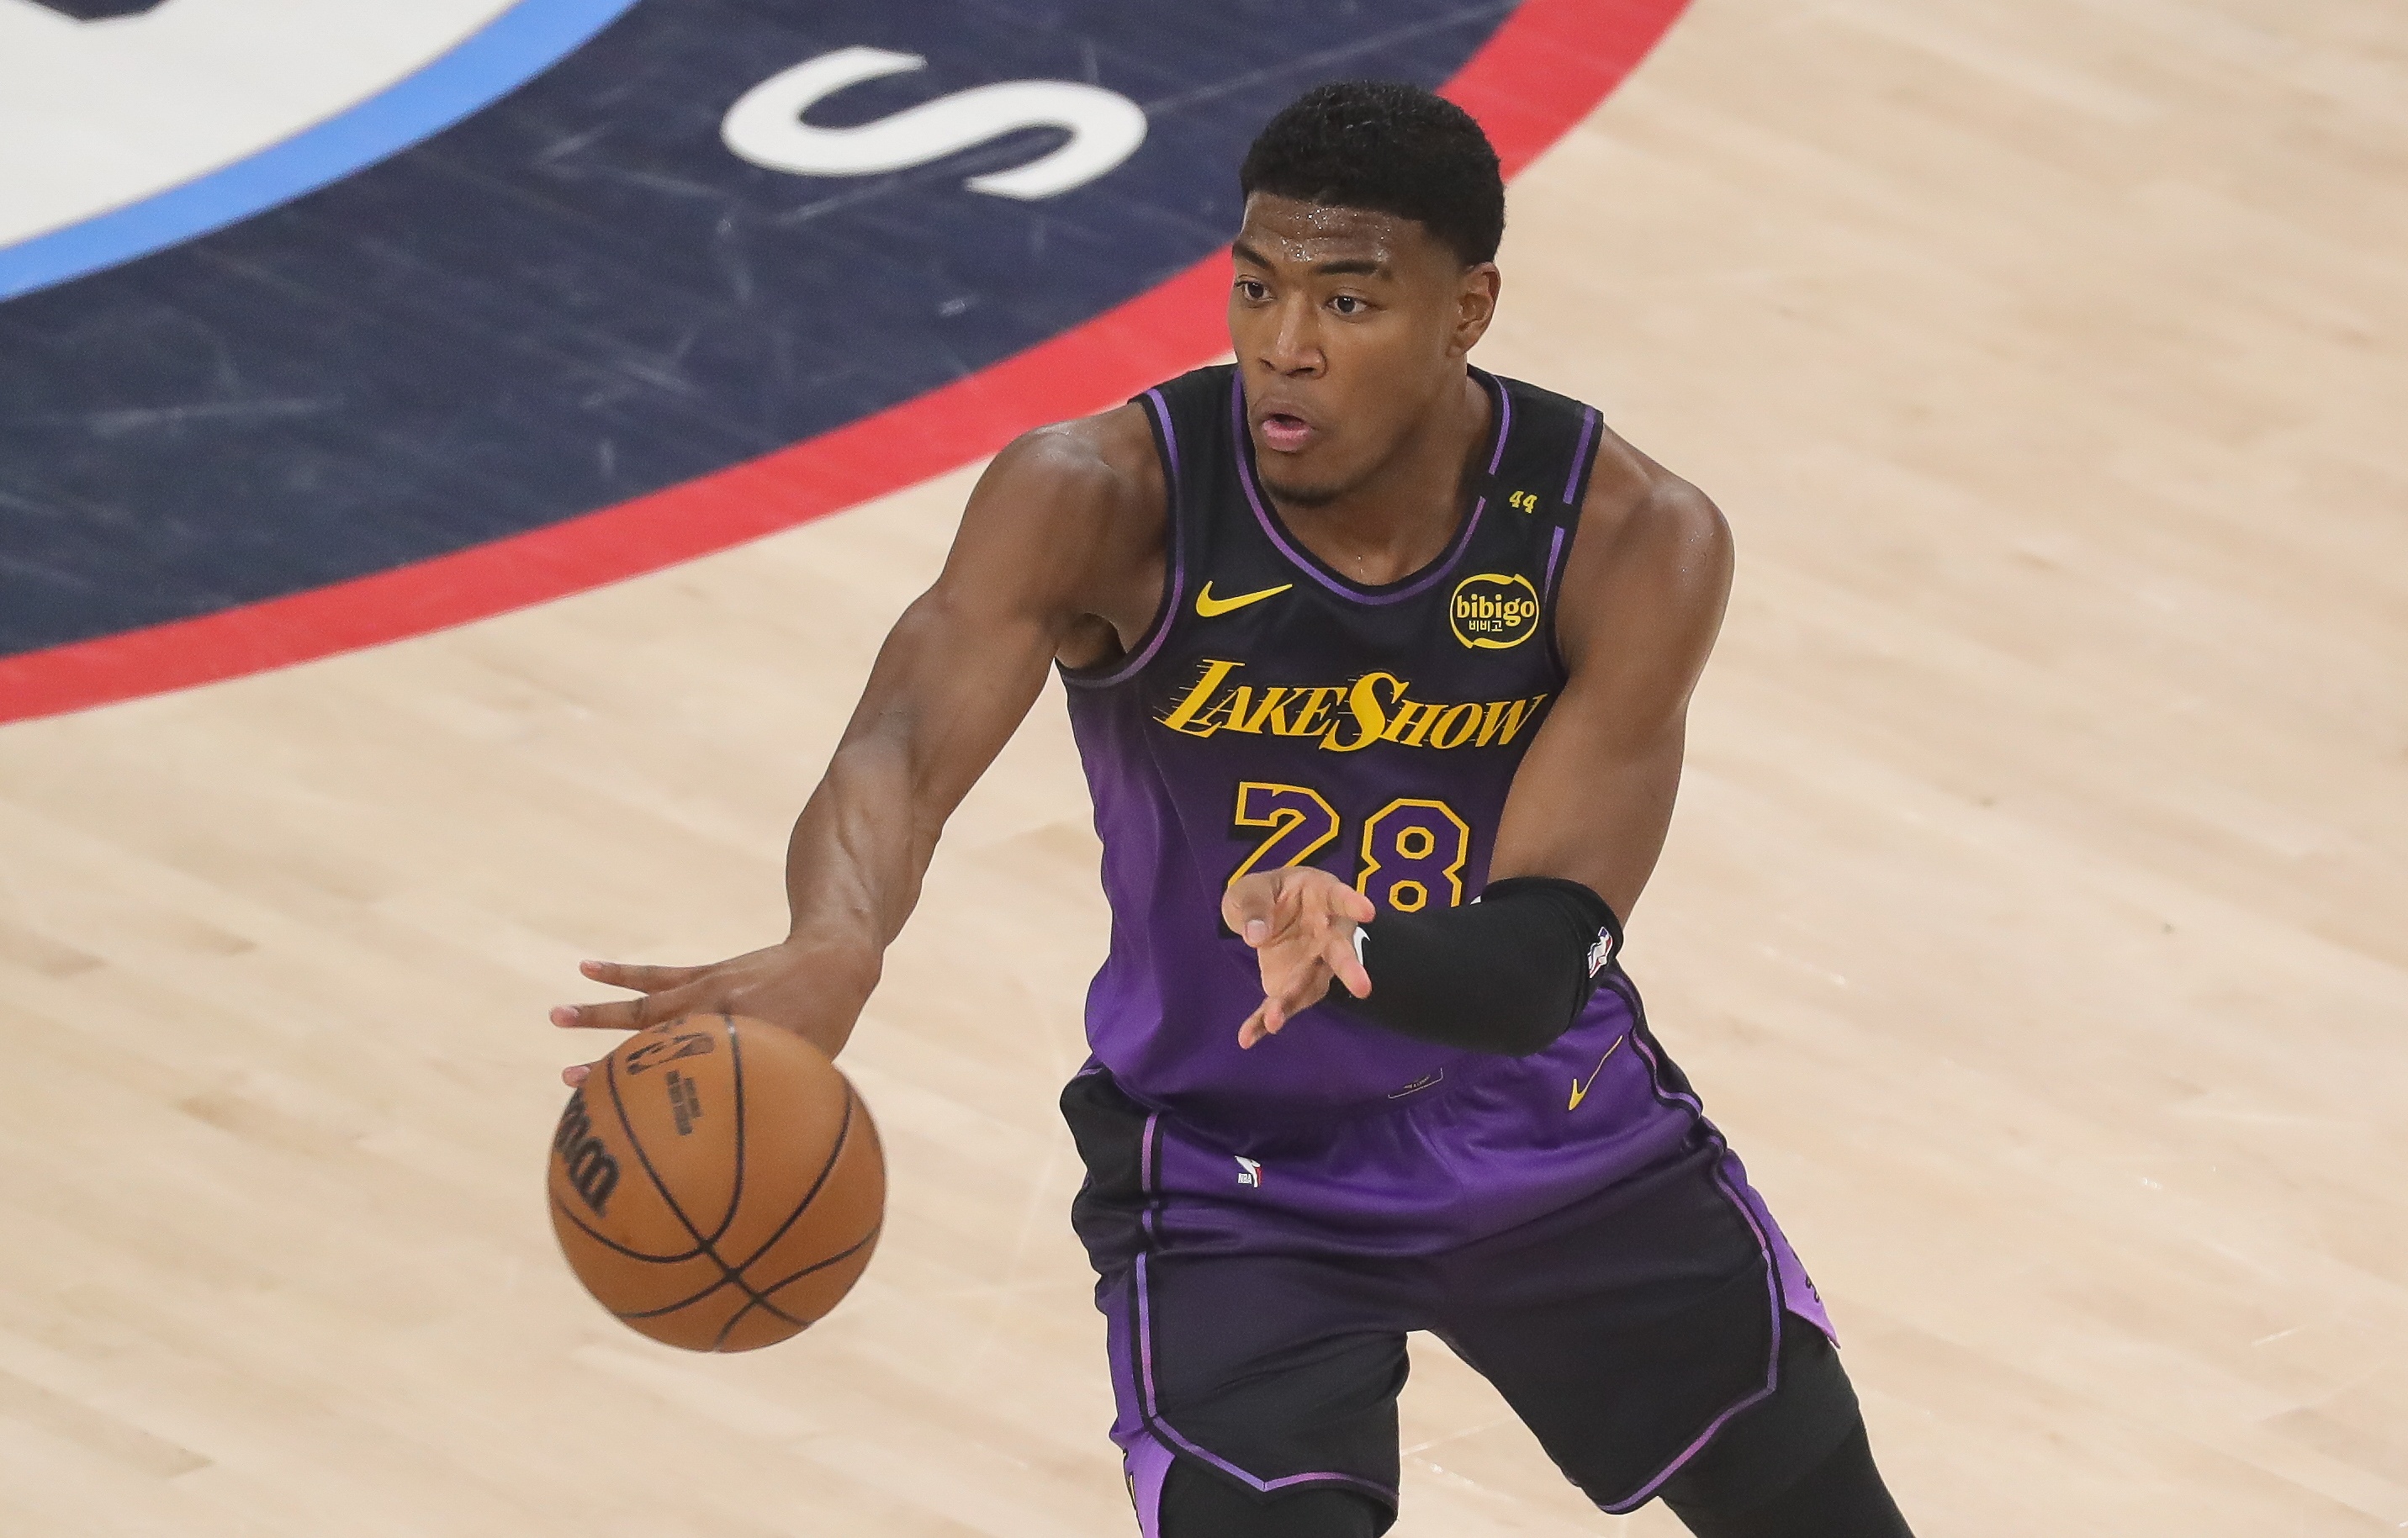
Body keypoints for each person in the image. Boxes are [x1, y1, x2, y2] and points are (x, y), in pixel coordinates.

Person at [553, 80, 1914, 1538]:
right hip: (1228, 1170)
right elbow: (900, 741)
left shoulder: (1629, 539)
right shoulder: (1098, 495)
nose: (1285, 345)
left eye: (1350, 301)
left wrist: (1364, 944)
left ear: (1467, 311)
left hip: (1546, 1128)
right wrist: (840, 931)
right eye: (1257, 287)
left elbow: (1540, 954)